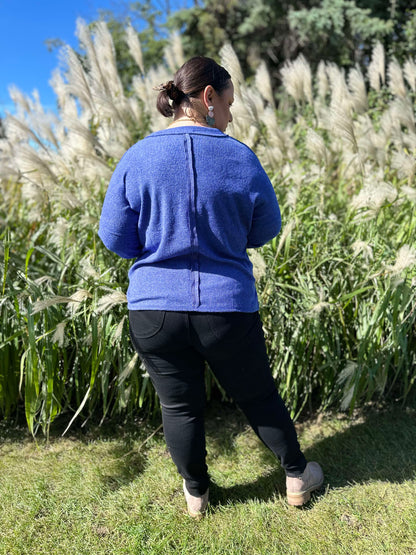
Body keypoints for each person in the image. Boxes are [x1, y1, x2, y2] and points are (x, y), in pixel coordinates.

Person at [98, 56, 323, 516]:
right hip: (227, 308)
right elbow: (265, 228)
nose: (231, 114)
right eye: (228, 102)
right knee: (257, 395)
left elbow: (116, 239)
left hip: (154, 310)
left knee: (179, 408)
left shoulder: (136, 157)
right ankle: (298, 476)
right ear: (207, 98)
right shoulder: (239, 155)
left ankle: (197, 495)